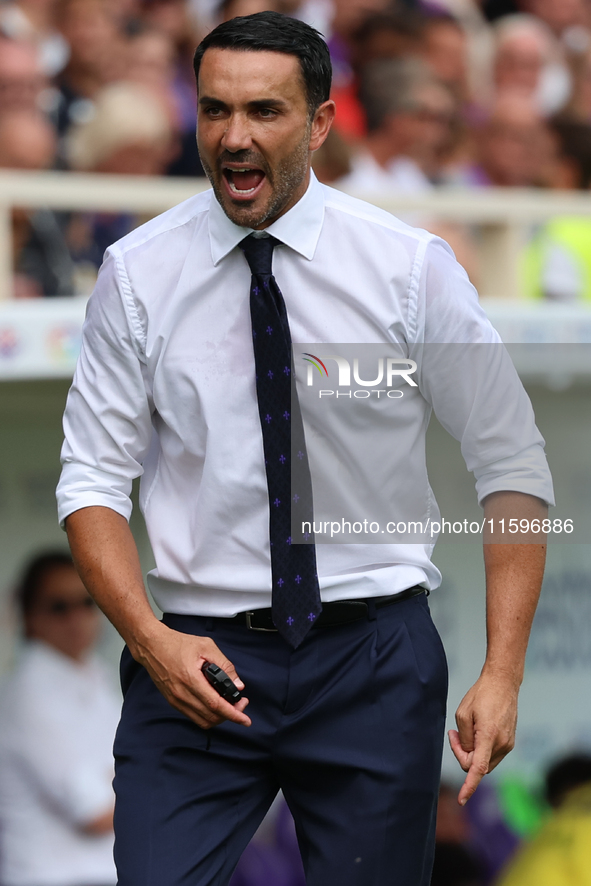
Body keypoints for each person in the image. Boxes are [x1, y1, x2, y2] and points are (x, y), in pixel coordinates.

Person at [56, 11, 553, 886]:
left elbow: (511, 468)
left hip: (373, 659)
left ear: (320, 123)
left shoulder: (410, 268)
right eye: (214, 112)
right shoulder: (135, 274)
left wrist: (502, 672)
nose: (234, 137)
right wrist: (146, 638)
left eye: (264, 112)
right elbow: (91, 480)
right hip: (195, 662)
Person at [0, 551, 120, 886]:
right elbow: (94, 812)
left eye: (86, 602)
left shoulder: (94, 674)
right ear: (28, 614)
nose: (77, 617)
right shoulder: (30, 693)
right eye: (58, 606)